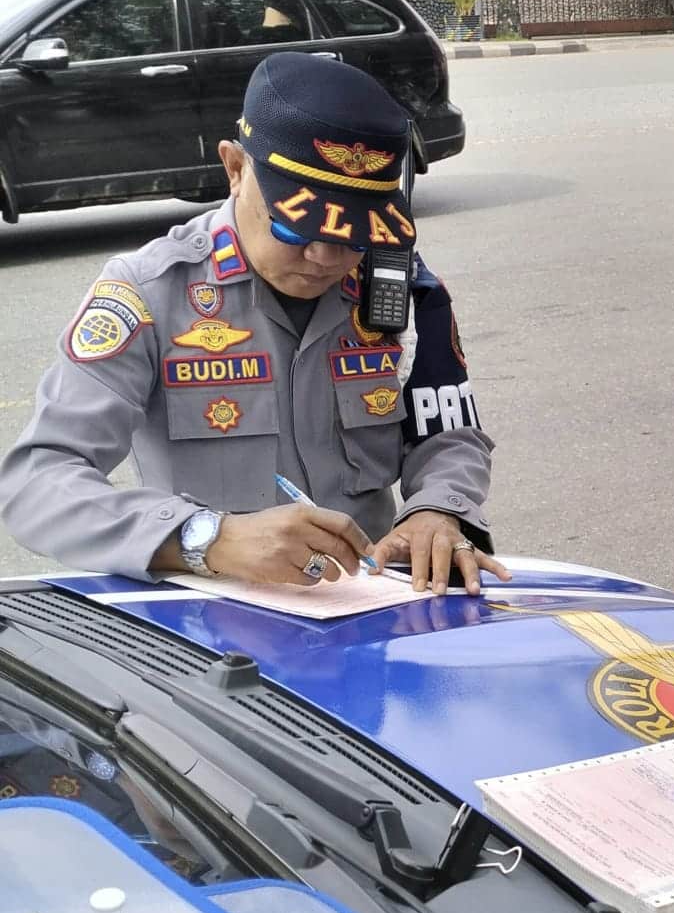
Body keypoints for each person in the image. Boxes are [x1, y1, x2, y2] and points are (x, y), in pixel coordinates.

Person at [0, 53, 511, 597]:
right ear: (235, 168)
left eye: (353, 234)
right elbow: (37, 482)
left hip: (370, 603)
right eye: (295, 228)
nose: (324, 257)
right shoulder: (148, 293)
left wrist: (436, 510)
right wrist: (205, 538)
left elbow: (448, 433)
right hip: (213, 616)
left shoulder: (400, 289)